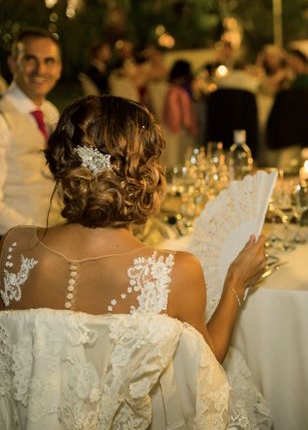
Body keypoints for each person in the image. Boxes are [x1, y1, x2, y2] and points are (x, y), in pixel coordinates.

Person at [0, 95, 271, 428]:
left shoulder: (13, 246)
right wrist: (236, 283)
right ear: (146, 174)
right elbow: (205, 366)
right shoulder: (176, 272)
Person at [0, 27, 62, 236]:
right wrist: (37, 236)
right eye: (30, 59)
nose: (40, 70)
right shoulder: (2, 118)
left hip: (56, 234)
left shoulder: (50, 111)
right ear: (12, 64)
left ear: (59, 68)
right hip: (17, 241)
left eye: (49, 61)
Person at [162, 60, 198, 168]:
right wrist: (188, 126)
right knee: (179, 156)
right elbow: (176, 111)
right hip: (178, 130)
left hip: (180, 129)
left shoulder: (176, 89)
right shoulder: (176, 91)